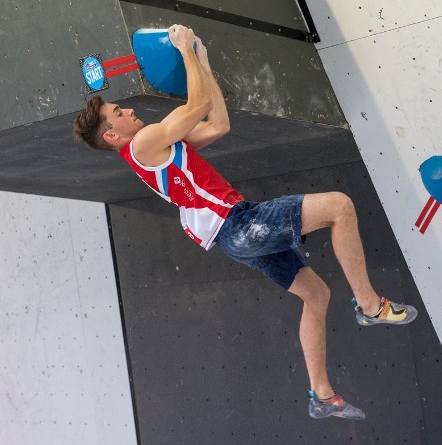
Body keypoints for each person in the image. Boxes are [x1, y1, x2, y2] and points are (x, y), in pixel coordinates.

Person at [73, 25, 417, 420]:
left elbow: (218, 123)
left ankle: (321, 395)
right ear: (113, 134)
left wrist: (203, 62)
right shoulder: (142, 142)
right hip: (239, 225)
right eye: (119, 112)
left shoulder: (155, 149)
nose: (129, 110)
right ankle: (370, 306)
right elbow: (197, 106)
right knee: (340, 206)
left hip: (234, 238)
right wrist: (185, 49)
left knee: (317, 294)